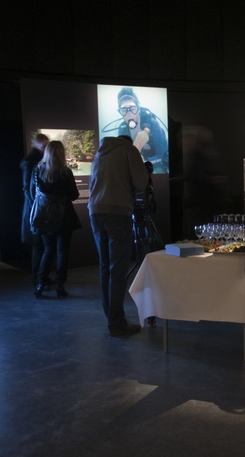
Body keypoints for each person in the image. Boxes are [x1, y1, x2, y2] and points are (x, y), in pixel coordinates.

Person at [88, 131, 149, 336]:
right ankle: (116, 323)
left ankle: (111, 317)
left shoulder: (100, 153)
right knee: (118, 270)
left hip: (95, 212)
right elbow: (141, 182)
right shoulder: (129, 150)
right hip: (117, 212)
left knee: (105, 266)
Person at [31, 139, 81, 298]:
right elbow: (74, 195)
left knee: (48, 250)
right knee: (62, 252)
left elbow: (33, 194)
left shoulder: (37, 171)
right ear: (61, 153)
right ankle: (60, 285)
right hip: (64, 217)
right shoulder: (66, 172)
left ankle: (40, 283)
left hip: (44, 216)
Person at [115, 88, 168, 172]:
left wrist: (143, 162)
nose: (129, 114)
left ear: (138, 109)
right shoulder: (122, 129)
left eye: (132, 109)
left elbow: (160, 156)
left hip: (156, 160)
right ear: (120, 111)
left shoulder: (152, 123)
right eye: (124, 110)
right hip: (139, 160)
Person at [21, 133, 48, 294]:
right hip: (36, 210)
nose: (46, 149)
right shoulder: (32, 163)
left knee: (41, 245)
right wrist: (35, 207)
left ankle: (40, 277)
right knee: (38, 245)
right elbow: (27, 188)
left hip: (36, 208)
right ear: (37, 146)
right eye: (44, 146)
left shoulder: (33, 162)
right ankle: (38, 278)